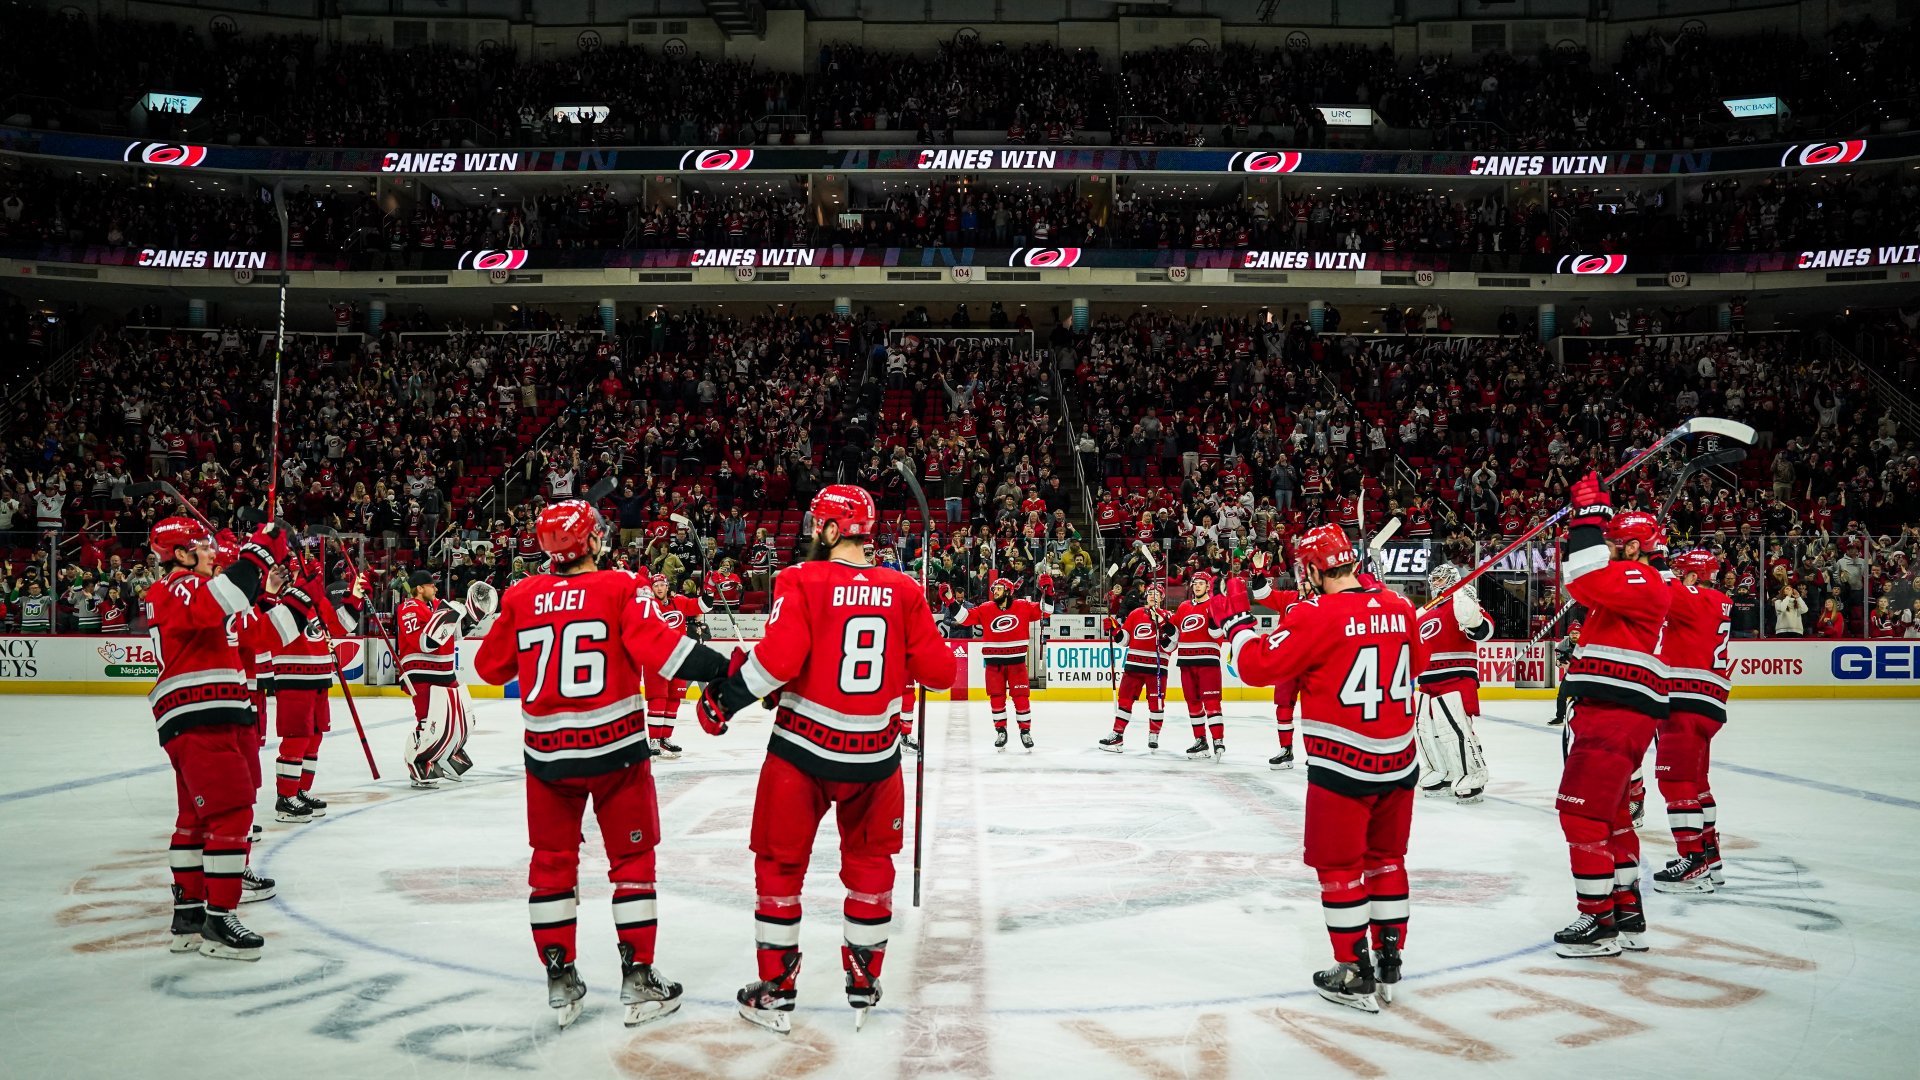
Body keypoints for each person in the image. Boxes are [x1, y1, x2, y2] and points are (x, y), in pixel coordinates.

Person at [692, 484, 956, 1033]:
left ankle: (777, 989)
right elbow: (941, 675)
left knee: (780, 864)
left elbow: (779, 661)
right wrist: (926, 627)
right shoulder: (903, 588)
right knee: (870, 866)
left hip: (800, 753)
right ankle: (862, 980)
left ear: (833, 530)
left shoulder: (800, 579)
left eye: (819, 525)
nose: (814, 533)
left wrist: (725, 700)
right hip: (875, 761)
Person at [475, 498, 737, 1029]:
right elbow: (665, 651)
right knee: (633, 864)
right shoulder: (620, 586)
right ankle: (638, 976)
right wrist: (733, 669)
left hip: (548, 757)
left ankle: (558, 975)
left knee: (551, 863)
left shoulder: (523, 594)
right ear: (589, 541)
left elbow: (488, 666)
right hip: (617, 752)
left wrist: (510, 619)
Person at [1211, 524, 1418, 1012]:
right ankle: (1390, 959)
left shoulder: (1314, 614)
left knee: (1340, 867)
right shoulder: (1401, 606)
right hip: (1400, 763)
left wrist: (1238, 622)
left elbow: (1258, 668)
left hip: (1343, 768)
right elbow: (1419, 662)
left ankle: (1354, 969)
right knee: (1387, 860)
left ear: (1311, 569)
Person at [146, 516, 290, 960]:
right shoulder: (178, 587)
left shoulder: (192, 595)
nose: (212, 554)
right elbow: (223, 596)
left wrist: (288, 594)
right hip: (201, 716)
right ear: (181, 555)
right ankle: (218, 919)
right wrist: (258, 552)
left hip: (197, 716)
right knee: (232, 816)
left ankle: (188, 919)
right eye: (202, 548)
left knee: (193, 821)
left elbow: (262, 629)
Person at [1552, 478, 1671, 958]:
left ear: (1637, 548)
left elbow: (1580, 580)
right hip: (1617, 711)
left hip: (1613, 715)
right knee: (1613, 818)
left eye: (1614, 545)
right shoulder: (1640, 581)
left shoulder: (1641, 577)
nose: (1608, 551)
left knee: (1579, 813)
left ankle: (1597, 918)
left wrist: (1587, 519)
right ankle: (1626, 912)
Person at [1653, 549, 1733, 894]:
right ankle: (1709, 857)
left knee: (1675, 782)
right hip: (1707, 700)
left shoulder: (1697, 597)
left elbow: (1660, 588)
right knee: (1698, 784)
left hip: (1685, 698)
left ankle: (1693, 860)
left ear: (1690, 577)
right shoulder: (1717, 600)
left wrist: (1653, 554)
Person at [268, 547, 364, 823]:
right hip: (294, 677)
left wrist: (353, 599)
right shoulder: (279, 598)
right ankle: (285, 798)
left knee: (315, 736)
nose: (302, 573)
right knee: (296, 738)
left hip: (320, 676)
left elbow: (339, 626)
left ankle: (300, 790)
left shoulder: (315, 599)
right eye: (297, 569)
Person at [397, 570, 494, 787]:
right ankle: (418, 763)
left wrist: (471, 617)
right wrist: (447, 617)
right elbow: (424, 643)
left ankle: (445, 756)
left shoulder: (437, 605)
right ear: (419, 588)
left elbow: (456, 633)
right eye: (431, 585)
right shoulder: (408, 608)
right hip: (420, 673)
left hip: (445, 672)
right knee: (429, 722)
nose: (436, 588)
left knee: (461, 722)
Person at [1412, 561, 1494, 803]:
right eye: (1433, 579)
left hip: (1456, 675)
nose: (1436, 583)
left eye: (1440, 578)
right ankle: (1441, 772)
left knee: (1455, 727)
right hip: (1426, 678)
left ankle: (1472, 774)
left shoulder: (1462, 602)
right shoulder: (1425, 611)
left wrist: (1472, 617)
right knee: (1426, 729)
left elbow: (1484, 630)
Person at [950, 573, 1050, 750]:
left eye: (998, 588)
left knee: (1021, 698)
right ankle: (1001, 730)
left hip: (1017, 663)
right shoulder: (986, 608)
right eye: (993, 589)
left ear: (1008, 591)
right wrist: (950, 601)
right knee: (996, 698)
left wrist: (1048, 590)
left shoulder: (1023, 606)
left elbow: (1046, 610)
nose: (994, 591)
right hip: (993, 664)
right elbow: (964, 618)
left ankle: (1025, 731)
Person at [1098, 581, 1173, 752]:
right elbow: (1125, 641)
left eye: (1157, 593)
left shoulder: (1168, 616)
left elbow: (1172, 646)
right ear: (1146, 596)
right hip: (1133, 667)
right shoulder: (1135, 614)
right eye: (1150, 593)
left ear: (1162, 597)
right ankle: (1117, 736)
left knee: (1156, 703)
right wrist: (1115, 630)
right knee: (1124, 701)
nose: (1153, 596)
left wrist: (1163, 631)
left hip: (1157, 669)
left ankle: (1154, 734)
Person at [644, 572, 709, 758]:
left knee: (674, 699)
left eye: (662, 585)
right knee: (658, 698)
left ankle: (665, 738)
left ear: (667, 587)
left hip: (678, 659)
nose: (659, 588)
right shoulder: (647, 606)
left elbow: (702, 606)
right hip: (656, 660)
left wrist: (710, 589)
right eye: (655, 585)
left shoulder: (679, 602)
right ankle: (654, 740)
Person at [1173, 570, 1228, 759]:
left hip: (1208, 662)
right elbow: (1173, 638)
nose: (1197, 586)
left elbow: (1216, 634)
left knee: (1212, 702)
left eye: (1201, 583)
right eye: (1195, 583)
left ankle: (1218, 740)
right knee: (1193, 702)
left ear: (1208, 586)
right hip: (1186, 662)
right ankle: (1200, 741)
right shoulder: (1183, 607)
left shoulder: (1214, 605)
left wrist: (1214, 615)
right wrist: (1162, 625)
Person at [1550, 622, 1580, 726]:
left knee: (1580, 697)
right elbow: (1558, 660)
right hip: (1570, 674)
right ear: (1569, 634)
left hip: (1582, 676)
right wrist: (1559, 663)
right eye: (1572, 633)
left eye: (1577, 633)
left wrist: (1571, 666)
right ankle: (1559, 717)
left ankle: (1579, 718)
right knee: (1561, 695)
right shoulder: (1563, 644)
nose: (1574, 635)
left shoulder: (1586, 644)